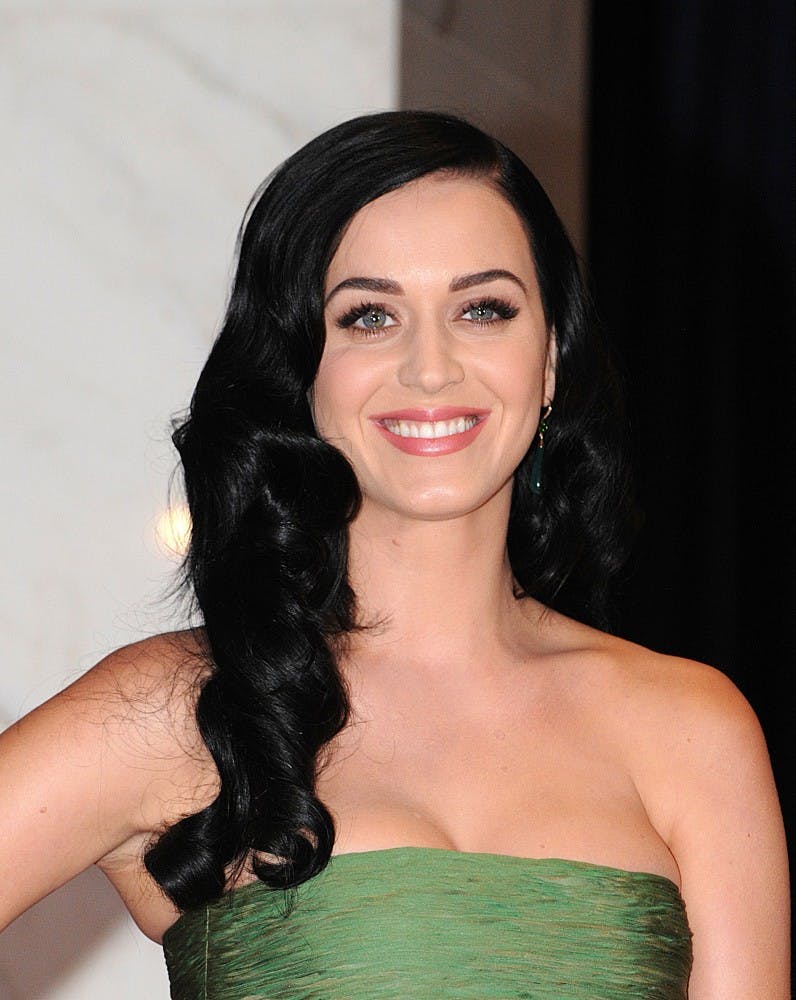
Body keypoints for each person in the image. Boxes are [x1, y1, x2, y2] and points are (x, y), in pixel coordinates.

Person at [0, 111, 789, 998]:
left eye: (483, 309)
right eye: (370, 317)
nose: (431, 366)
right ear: (302, 370)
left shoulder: (689, 728)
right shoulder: (178, 709)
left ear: (550, 361)